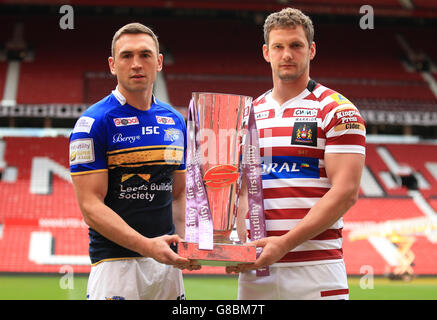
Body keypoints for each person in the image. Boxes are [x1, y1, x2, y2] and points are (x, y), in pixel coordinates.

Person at [227, 8, 366, 300]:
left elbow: (346, 192)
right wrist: (235, 243)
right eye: (278, 46)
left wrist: (284, 243)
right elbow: (242, 191)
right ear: (266, 52)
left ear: (311, 50)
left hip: (315, 271)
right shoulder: (249, 113)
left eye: (296, 45)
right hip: (257, 271)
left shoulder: (337, 110)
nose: (286, 54)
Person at [69, 22, 198, 300]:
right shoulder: (93, 123)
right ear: (113, 64)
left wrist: (186, 243)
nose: (136, 64)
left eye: (145, 55)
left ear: (159, 62)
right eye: (127, 56)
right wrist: (147, 246)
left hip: (166, 265)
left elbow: (178, 194)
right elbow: (90, 207)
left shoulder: (175, 121)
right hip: (116, 266)